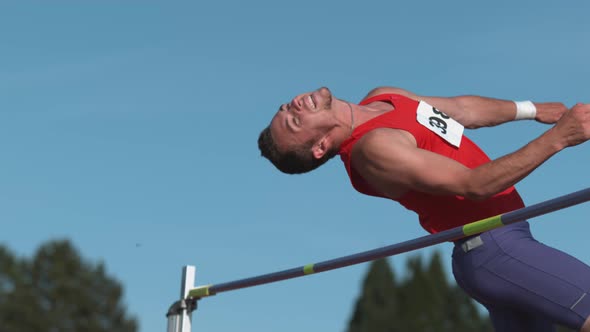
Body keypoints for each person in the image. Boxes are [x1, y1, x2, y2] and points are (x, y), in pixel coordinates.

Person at [258, 86, 590, 332]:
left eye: (285, 107)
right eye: (293, 121)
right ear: (320, 147)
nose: (294, 106)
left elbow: (463, 110)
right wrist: (558, 138)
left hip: (504, 245)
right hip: (495, 250)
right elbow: (474, 184)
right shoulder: (373, 150)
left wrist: (529, 109)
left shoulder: (383, 97)